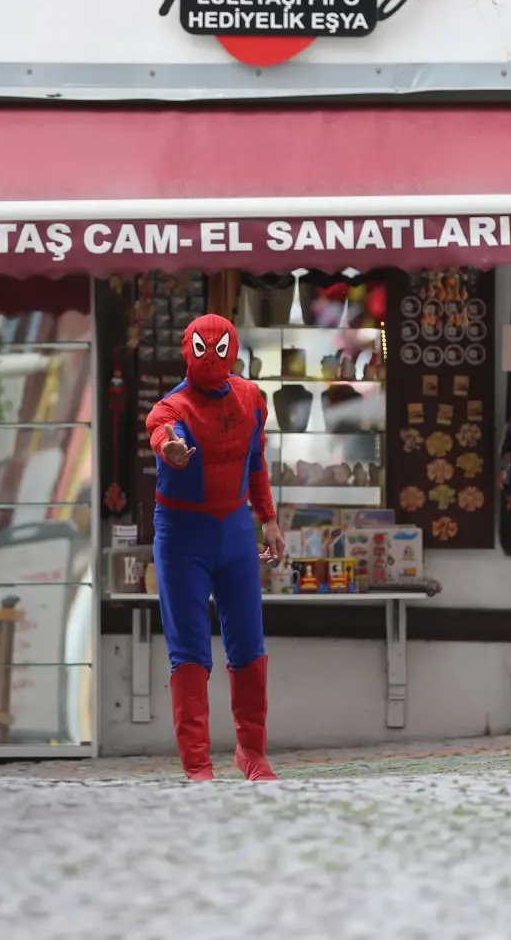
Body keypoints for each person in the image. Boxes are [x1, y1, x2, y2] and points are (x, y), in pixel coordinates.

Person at [146, 313, 287, 782]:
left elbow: (255, 460)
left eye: (220, 349)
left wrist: (268, 520)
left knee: (248, 642)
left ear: (235, 350)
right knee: (188, 651)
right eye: (203, 350)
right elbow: (162, 432)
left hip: (234, 530)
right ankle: (197, 766)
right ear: (188, 351)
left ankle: (252, 752)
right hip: (183, 535)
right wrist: (171, 449)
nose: (212, 359)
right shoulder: (173, 407)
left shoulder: (250, 398)